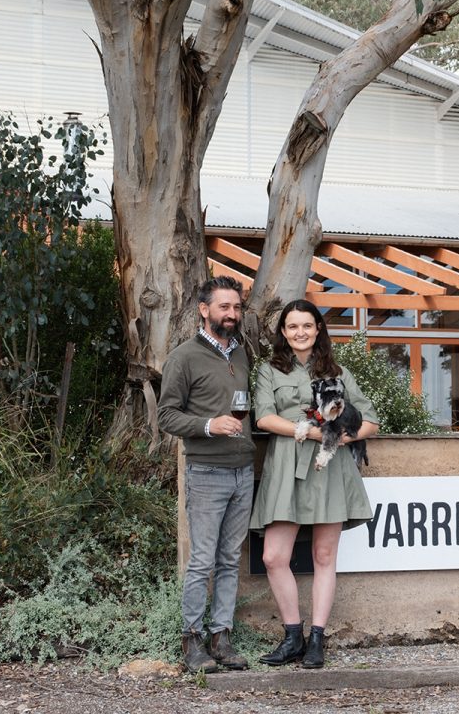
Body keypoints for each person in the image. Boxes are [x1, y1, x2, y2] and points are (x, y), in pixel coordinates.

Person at [250, 300, 379, 669]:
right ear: (284, 332)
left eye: (307, 325)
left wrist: (337, 437)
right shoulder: (269, 370)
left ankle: (317, 640)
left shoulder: (338, 371)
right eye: (292, 327)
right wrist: (305, 432)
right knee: (273, 556)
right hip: (287, 464)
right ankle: (293, 636)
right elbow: (264, 417)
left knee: (324, 556)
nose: (300, 333)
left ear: (318, 329)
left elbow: (370, 422)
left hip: (329, 467)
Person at [157, 276, 254, 673]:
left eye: (236, 307)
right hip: (207, 471)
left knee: (230, 559)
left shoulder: (243, 352)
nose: (231, 314)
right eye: (224, 307)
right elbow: (166, 415)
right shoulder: (184, 356)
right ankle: (191, 640)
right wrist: (210, 425)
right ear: (204, 309)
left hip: (243, 473)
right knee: (202, 561)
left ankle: (222, 637)